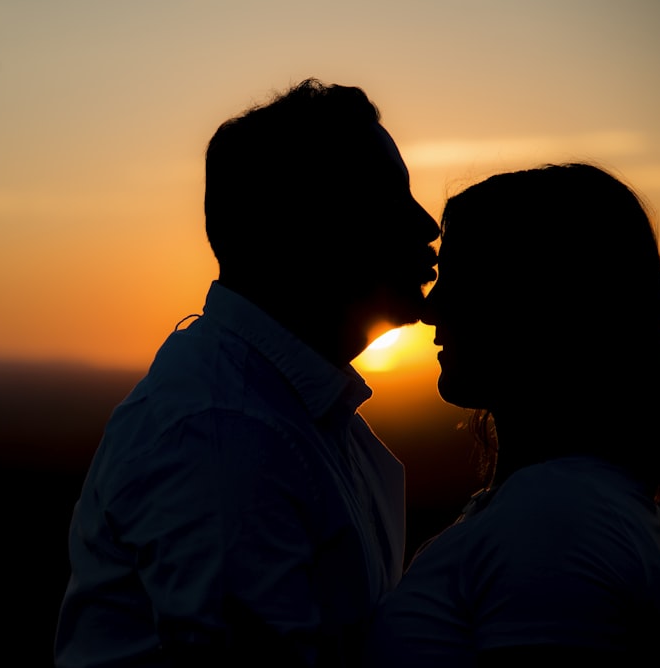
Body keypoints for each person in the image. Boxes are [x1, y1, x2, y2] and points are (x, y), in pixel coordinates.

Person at [54, 78, 440, 668]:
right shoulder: (222, 432)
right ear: (303, 227)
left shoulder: (291, 412)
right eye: (390, 198)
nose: (426, 226)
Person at [366, 163, 660, 667]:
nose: (430, 309)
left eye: (459, 280)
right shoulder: (557, 500)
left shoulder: (556, 515)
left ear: (533, 303)